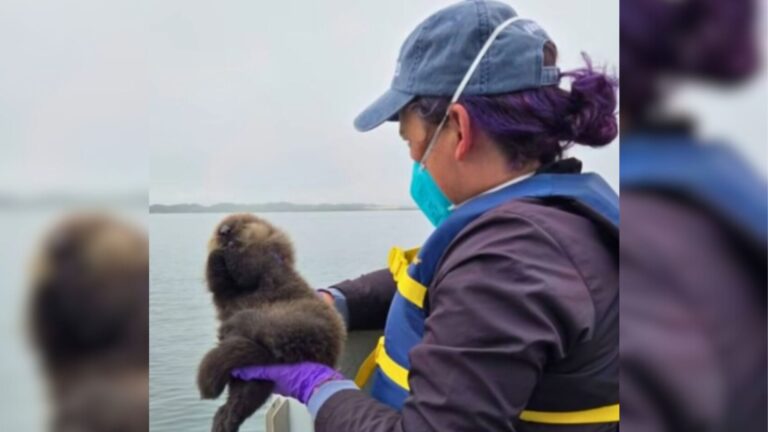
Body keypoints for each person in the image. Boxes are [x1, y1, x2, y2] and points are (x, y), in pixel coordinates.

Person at [233, 1, 620, 430]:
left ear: (458, 127)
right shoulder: (545, 226)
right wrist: (330, 304)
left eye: (409, 139)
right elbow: (430, 281)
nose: (415, 158)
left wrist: (314, 384)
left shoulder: (510, 260)